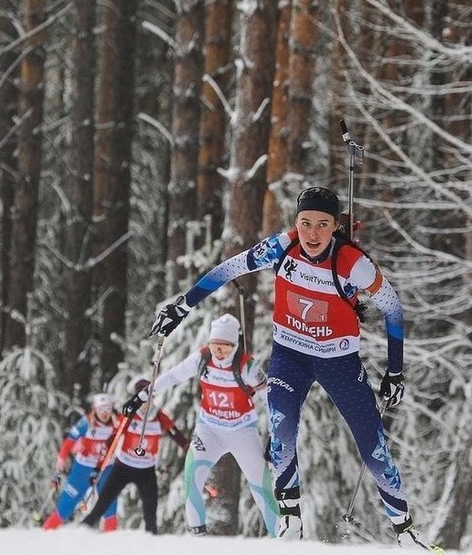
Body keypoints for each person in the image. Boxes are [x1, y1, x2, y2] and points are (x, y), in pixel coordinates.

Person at [148, 186, 441, 551]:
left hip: (338, 361)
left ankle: (405, 531)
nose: (312, 233)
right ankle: (290, 518)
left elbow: (393, 309)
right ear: (296, 223)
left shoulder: (353, 263)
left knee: (372, 443)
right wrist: (182, 306)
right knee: (281, 429)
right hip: (290, 355)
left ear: (335, 226)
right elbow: (228, 269)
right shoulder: (281, 247)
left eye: (322, 224)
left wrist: (395, 371)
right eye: (305, 223)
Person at [123, 313, 280, 537]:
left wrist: (275, 436)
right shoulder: (202, 359)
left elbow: (268, 399)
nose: (219, 353)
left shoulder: (247, 366)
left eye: (226, 348)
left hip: (242, 432)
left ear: (235, 346)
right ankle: (197, 536)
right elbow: (173, 376)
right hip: (209, 430)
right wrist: (141, 396)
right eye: (215, 346)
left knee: (260, 486)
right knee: (192, 476)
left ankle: (282, 541)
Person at [81, 380, 188, 534]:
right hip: (124, 467)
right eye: (143, 399)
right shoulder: (130, 415)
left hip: (146, 470)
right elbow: (112, 440)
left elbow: (175, 433)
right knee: (104, 501)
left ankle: (151, 539)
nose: (146, 404)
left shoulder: (159, 417)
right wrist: (98, 468)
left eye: (150, 399)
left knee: (150, 509)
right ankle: (84, 528)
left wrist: (186, 446)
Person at [43, 393, 120, 531]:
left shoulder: (117, 421)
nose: (104, 413)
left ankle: (111, 542)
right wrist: (61, 462)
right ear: (94, 409)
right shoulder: (85, 422)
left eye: (108, 409)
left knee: (110, 505)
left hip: (106, 468)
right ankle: (46, 534)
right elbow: (67, 444)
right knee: (66, 505)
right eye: (101, 409)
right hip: (83, 468)